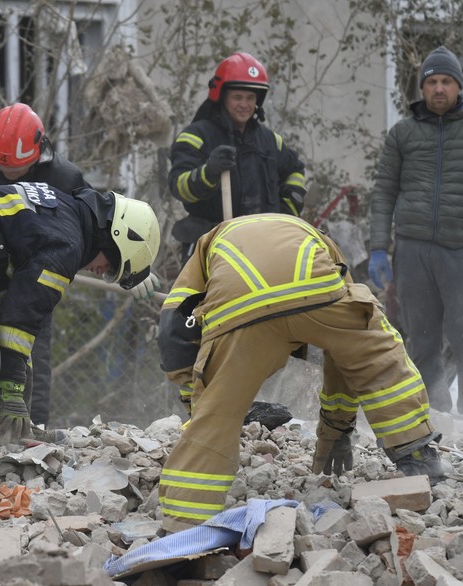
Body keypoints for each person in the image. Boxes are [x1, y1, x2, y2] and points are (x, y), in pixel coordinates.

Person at [156, 213, 444, 534]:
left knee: (217, 413)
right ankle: (416, 451)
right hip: (314, 288)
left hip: (240, 309)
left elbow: (174, 332)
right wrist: (336, 433)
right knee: (375, 352)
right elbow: (346, 362)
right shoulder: (318, 242)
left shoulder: (206, 244)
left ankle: (182, 527)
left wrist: (196, 403)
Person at [0, 103, 162, 426]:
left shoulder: (65, 176)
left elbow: (98, 230)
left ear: (39, 154)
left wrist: (132, 267)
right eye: (0, 169)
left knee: (30, 350)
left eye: (16, 170)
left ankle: (28, 427)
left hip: (33, 274)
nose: (7, 175)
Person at [0, 182, 160, 485]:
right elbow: (20, 318)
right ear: (116, 235)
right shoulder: (67, 244)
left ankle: (11, 430)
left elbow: (18, 331)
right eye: (112, 265)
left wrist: (15, 395)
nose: (103, 272)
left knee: (9, 347)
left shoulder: (67, 216)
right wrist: (11, 390)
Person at [369, 46, 463, 414]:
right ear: (422, 87)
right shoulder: (402, 134)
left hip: (459, 249)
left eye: (447, 81)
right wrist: (379, 247)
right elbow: (383, 192)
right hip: (412, 251)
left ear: (457, 87)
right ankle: (435, 418)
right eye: (432, 81)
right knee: (421, 341)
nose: (439, 88)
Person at [168, 52, 307, 262]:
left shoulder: (270, 141)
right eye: (237, 97)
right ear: (221, 97)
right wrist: (209, 172)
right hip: (212, 247)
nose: (244, 104)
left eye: (250, 98)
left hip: (265, 247)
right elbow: (179, 187)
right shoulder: (196, 137)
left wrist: (285, 214)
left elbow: (295, 170)